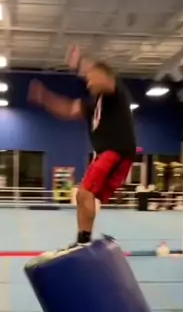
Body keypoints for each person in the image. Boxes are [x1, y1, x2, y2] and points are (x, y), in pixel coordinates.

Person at [28, 47, 137, 245]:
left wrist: (83, 64)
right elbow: (68, 109)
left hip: (115, 150)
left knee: (84, 193)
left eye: (91, 78)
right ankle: (83, 240)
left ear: (104, 76)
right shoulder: (92, 104)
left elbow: (105, 80)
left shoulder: (115, 92)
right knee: (84, 196)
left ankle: (83, 242)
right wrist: (45, 97)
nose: (88, 82)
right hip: (107, 153)